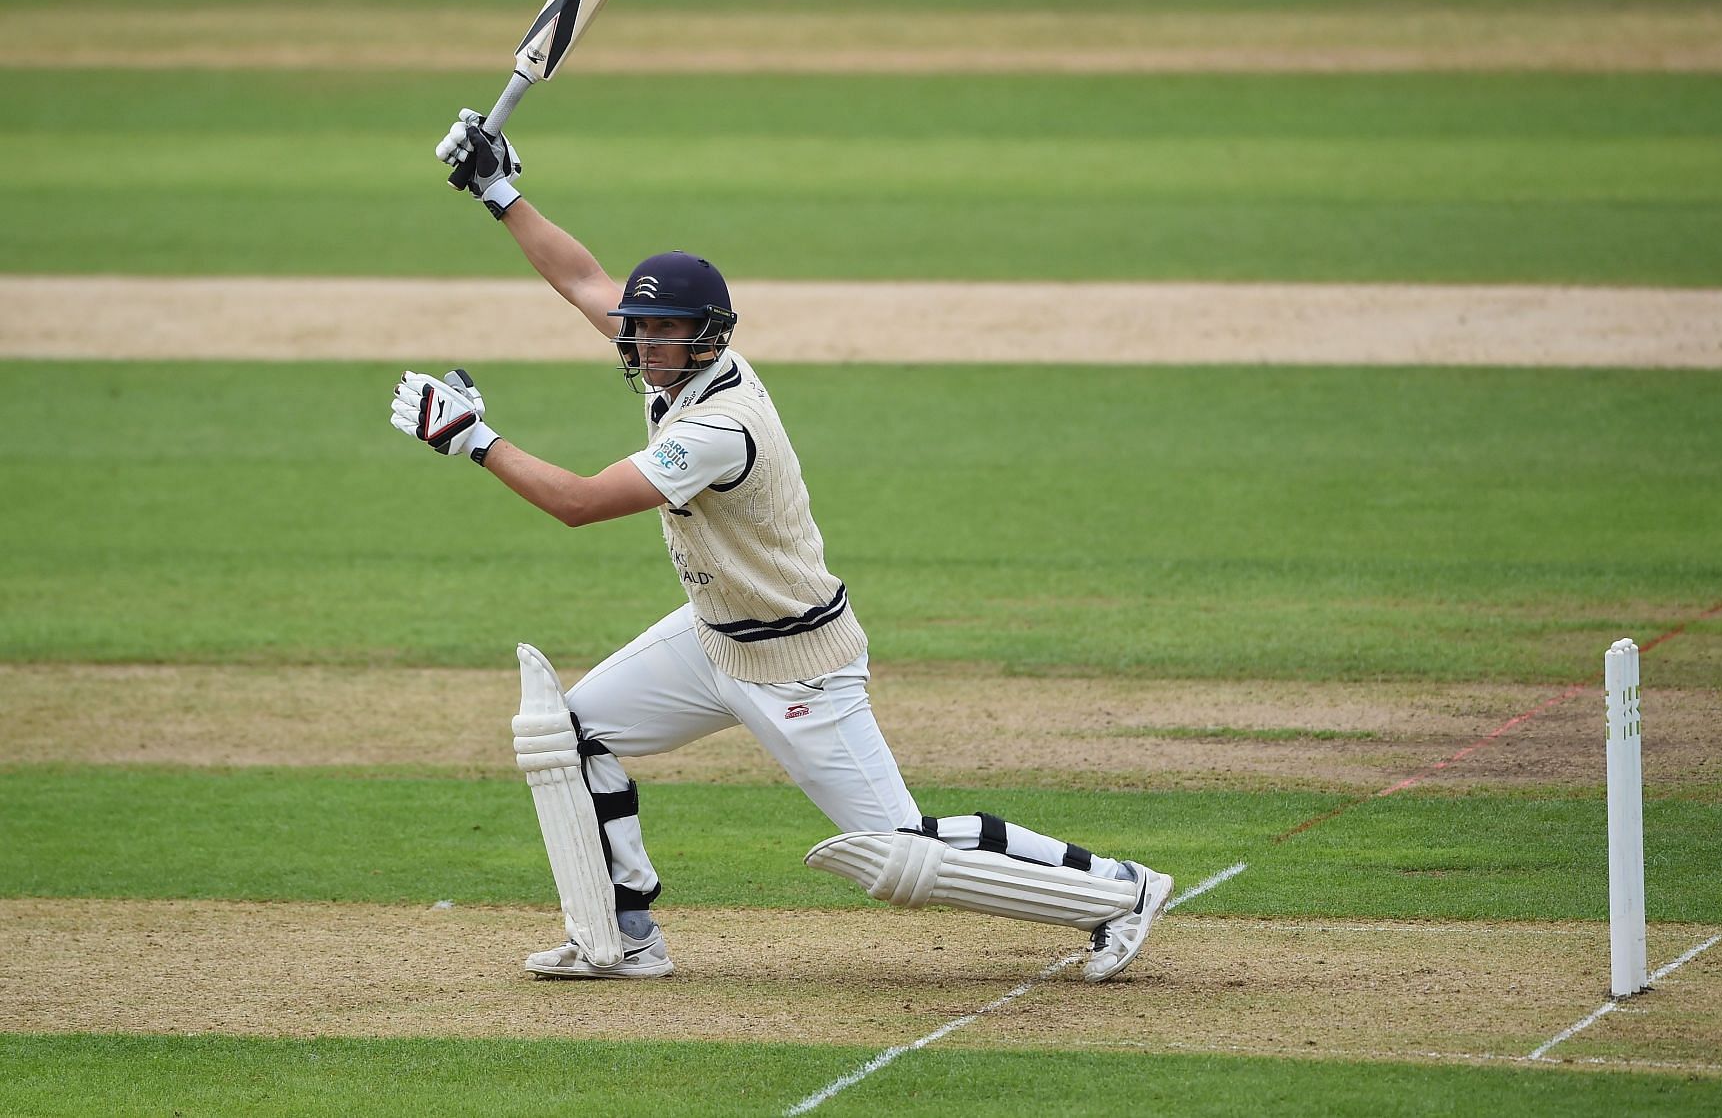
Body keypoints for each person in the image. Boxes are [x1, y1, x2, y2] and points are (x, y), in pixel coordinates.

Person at [386, 110, 1172, 982]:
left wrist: (474, 440)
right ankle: (621, 935)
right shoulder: (674, 364)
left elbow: (576, 503)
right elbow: (583, 279)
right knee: (566, 730)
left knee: (899, 853)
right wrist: (500, 192)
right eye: (640, 332)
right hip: (716, 634)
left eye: (661, 332)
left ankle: (1121, 889)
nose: (642, 346)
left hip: (800, 662)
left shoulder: (720, 426)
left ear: (706, 335)